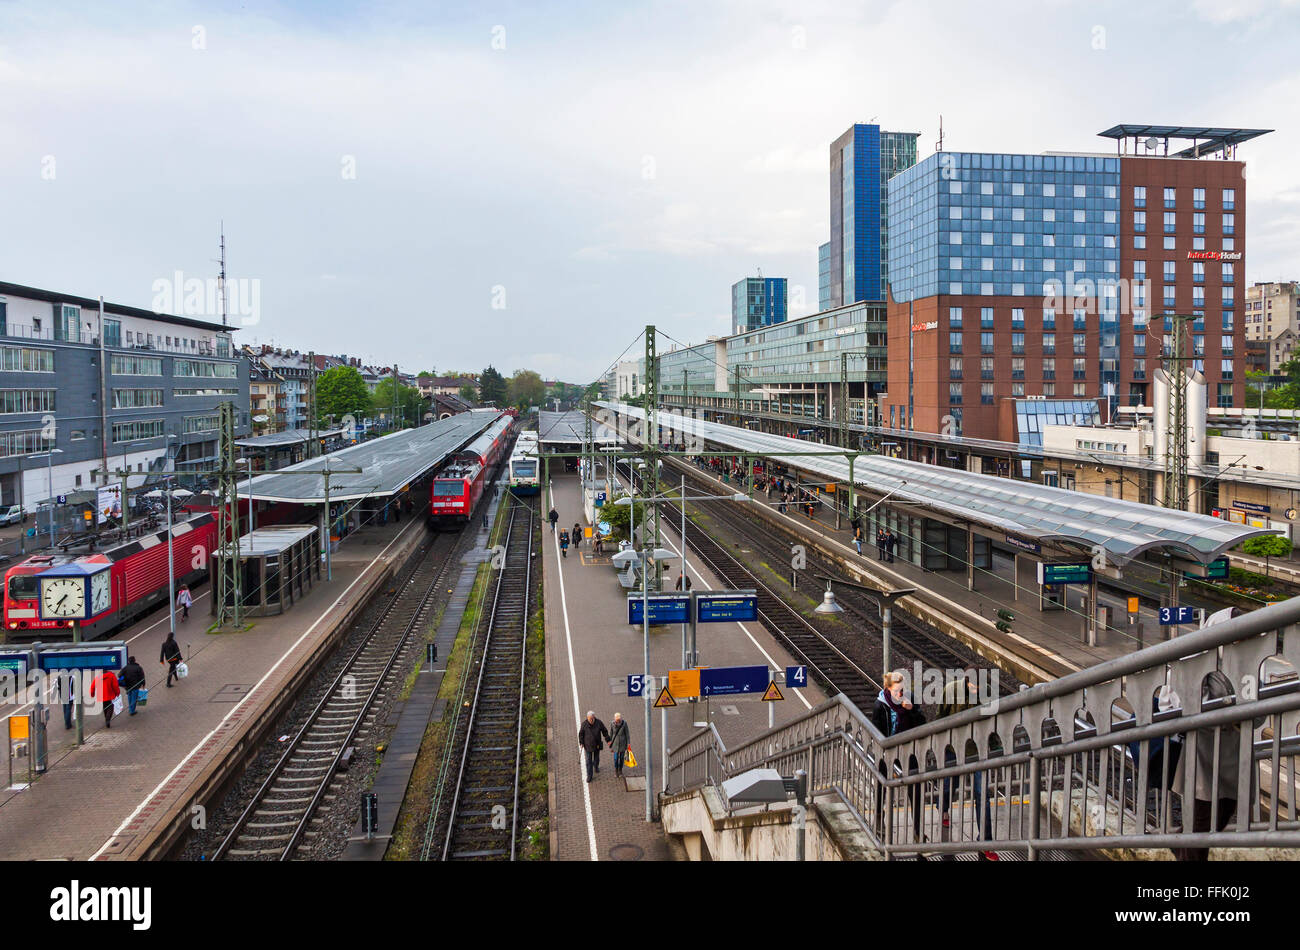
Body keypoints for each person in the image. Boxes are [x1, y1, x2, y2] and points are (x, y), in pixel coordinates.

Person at [938, 674, 998, 861]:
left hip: (978, 750)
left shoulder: (988, 691)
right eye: (974, 685)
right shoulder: (951, 690)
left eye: (979, 686)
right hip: (953, 748)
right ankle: (944, 809)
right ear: (966, 681)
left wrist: (995, 744)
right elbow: (941, 716)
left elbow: (993, 720)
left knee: (982, 794)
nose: (977, 689)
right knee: (949, 786)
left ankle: (985, 842)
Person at [872, 671, 926, 848]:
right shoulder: (880, 706)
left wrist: (911, 711)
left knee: (915, 787)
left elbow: (921, 724)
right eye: (897, 691)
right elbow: (876, 732)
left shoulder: (910, 699)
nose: (900, 694)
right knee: (882, 785)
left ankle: (918, 831)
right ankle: (880, 820)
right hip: (887, 752)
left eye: (903, 690)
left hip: (908, 751)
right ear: (887, 689)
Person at [578, 710, 610, 783]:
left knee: (596, 758)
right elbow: (581, 734)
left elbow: (604, 731)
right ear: (587, 718)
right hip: (588, 745)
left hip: (597, 745)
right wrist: (581, 742)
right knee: (588, 761)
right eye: (590, 719)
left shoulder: (599, 723)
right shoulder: (584, 724)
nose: (592, 720)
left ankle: (596, 766)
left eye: (592, 718)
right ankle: (589, 776)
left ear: (594, 717)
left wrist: (608, 740)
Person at [609, 712, 631, 778]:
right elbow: (611, 733)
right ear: (615, 719)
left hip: (622, 744)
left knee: (621, 758)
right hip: (615, 744)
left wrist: (628, 743)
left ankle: (620, 770)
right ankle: (616, 770)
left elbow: (627, 734)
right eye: (617, 720)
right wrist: (610, 743)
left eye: (619, 720)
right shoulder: (612, 724)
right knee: (615, 758)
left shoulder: (624, 724)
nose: (618, 721)